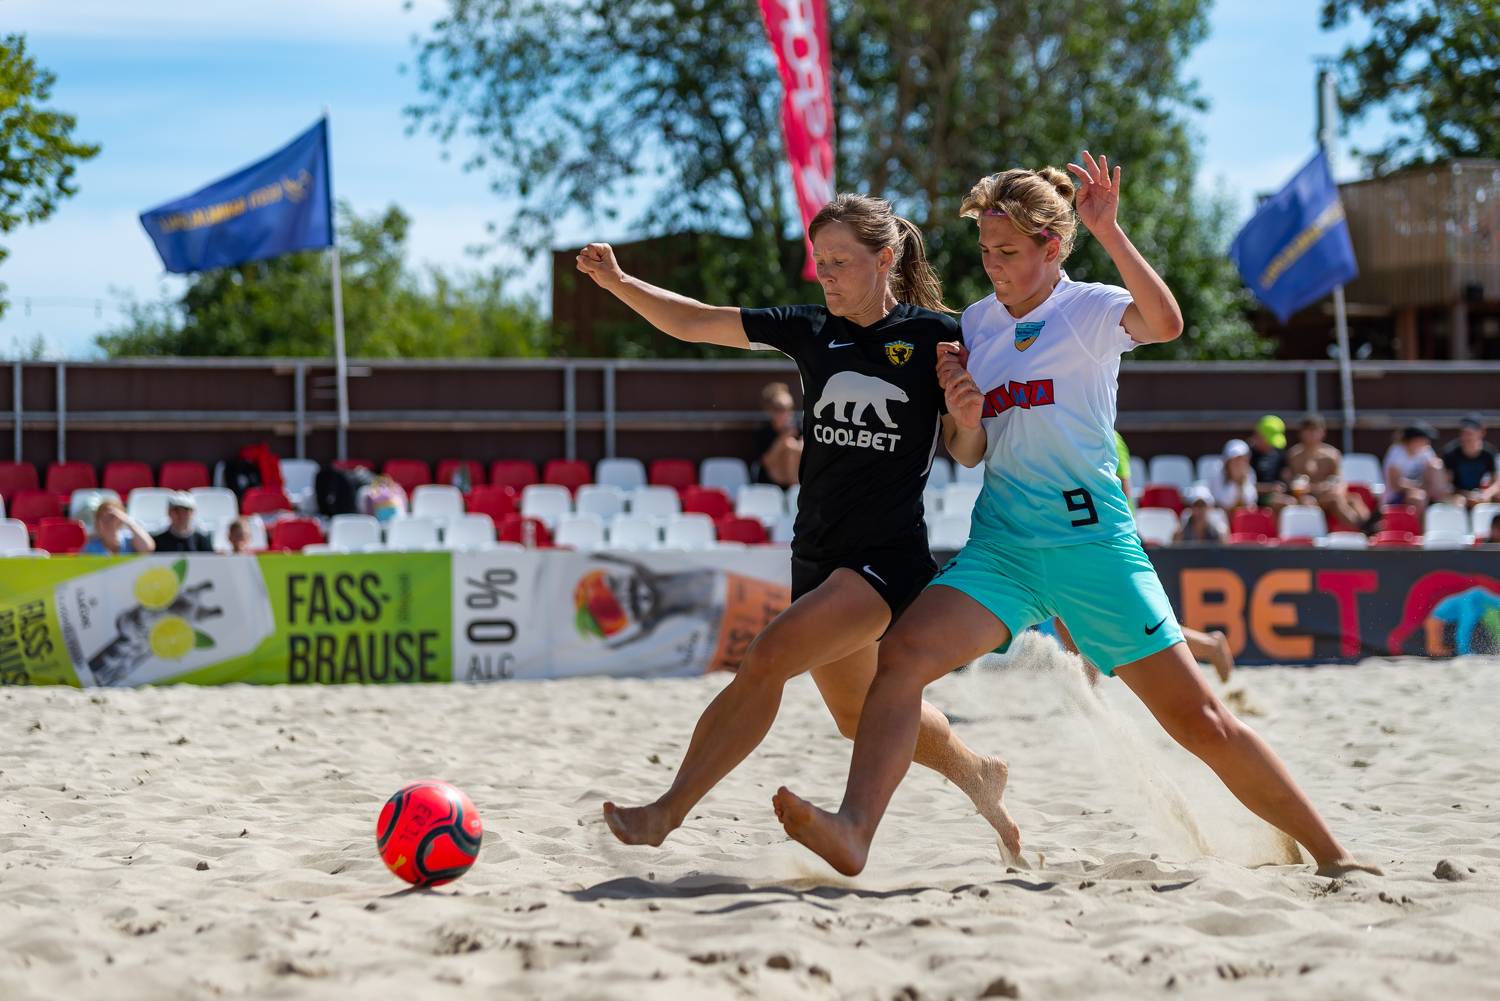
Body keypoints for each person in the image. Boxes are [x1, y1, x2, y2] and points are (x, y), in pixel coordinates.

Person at [773, 154, 1377, 879]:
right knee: (900, 660)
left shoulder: (1089, 308)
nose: (992, 265)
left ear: (1052, 247)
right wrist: (964, 415)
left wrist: (1111, 232)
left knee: (1200, 723)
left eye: (1007, 251)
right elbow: (969, 451)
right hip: (1002, 549)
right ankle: (854, 830)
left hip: (1092, 545)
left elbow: (1167, 322)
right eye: (985, 250)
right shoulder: (977, 323)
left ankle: (1335, 854)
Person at [575, 193, 1020, 858]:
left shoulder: (937, 336)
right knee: (855, 715)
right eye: (821, 261)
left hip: (885, 560)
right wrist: (618, 282)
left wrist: (965, 417)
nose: (827, 275)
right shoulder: (812, 329)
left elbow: (968, 451)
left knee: (767, 658)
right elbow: (695, 322)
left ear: (885, 259)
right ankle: (977, 772)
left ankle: (666, 811)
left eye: (841, 261)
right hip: (814, 554)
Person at [1285, 413, 1370, 530]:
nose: (1312, 434)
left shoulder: (1331, 455)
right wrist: (1306, 492)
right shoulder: (1294, 455)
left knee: (1353, 499)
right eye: (1308, 430)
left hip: (1327, 494)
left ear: (1323, 432)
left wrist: (1336, 492)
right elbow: (1292, 484)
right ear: (1301, 433)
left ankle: (1369, 526)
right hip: (1307, 498)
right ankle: (1363, 530)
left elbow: (1340, 482)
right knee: (1332, 500)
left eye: (1315, 430)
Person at [1382, 423, 1446, 515]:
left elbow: (1435, 469)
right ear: (1412, 440)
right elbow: (1396, 484)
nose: (1427, 443)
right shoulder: (1396, 452)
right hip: (1395, 498)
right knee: (1419, 498)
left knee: (1436, 466)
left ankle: (1441, 503)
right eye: (1423, 439)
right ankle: (1421, 525)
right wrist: (1422, 486)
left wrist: (1435, 488)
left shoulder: (1425, 450)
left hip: (1423, 491)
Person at [1440, 414, 1499, 509]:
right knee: (1458, 502)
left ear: (1482, 433)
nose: (1466, 437)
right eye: (1464, 433)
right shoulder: (1450, 453)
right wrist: (1465, 495)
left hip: (1480, 495)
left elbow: (1496, 482)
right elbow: (1446, 485)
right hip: (1458, 496)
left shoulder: (1489, 453)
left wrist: (1486, 494)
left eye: (1470, 433)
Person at [751, 382, 803, 487]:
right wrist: (783, 439)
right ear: (770, 410)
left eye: (789, 408)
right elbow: (767, 462)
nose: (786, 413)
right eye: (780, 409)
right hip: (770, 486)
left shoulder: (800, 428)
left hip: (796, 485)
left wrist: (794, 447)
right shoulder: (763, 433)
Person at [1423, 586, 1500, 657]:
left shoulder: (1473, 606)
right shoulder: (1472, 605)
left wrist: (1465, 653)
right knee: (1435, 649)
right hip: (1436, 618)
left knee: (1436, 649)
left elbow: (1464, 631)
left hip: (1475, 599)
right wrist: (1465, 652)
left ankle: (1462, 652)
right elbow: (1464, 630)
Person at [81, 498, 156, 555]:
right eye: (103, 518)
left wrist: (128, 521)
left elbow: (148, 549)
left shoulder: (129, 540)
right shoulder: (91, 546)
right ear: (97, 522)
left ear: (120, 520)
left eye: (112, 517)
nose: (107, 522)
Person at [1249, 416, 1291, 510]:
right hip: (1255, 501)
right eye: (1268, 440)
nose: (1271, 445)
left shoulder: (1279, 453)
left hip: (1278, 497)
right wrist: (1270, 488)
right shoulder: (1247, 455)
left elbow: (1285, 479)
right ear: (1258, 435)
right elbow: (1246, 487)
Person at [1211, 439, 1257, 512]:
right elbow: (1224, 504)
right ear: (1228, 461)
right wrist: (1234, 480)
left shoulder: (1250, 472)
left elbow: (1250, 501)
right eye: (1235, 459)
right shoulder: (1217, 473)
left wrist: (1241, 483)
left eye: (1242, 459)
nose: (1239, 463)